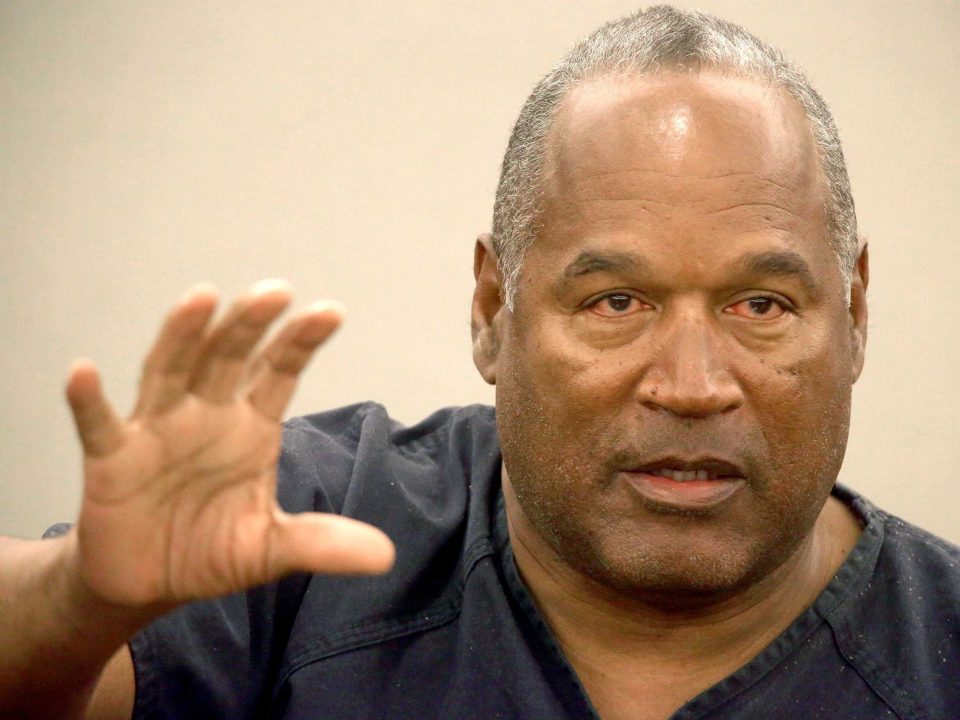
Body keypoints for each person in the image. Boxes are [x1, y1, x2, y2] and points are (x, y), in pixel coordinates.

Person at [1, 5, 958, 719]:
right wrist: (80, 595)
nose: (692, 386)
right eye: (616, 303)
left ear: (854, 314)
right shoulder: (315, 526)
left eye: (761, 306)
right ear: (494, 311)